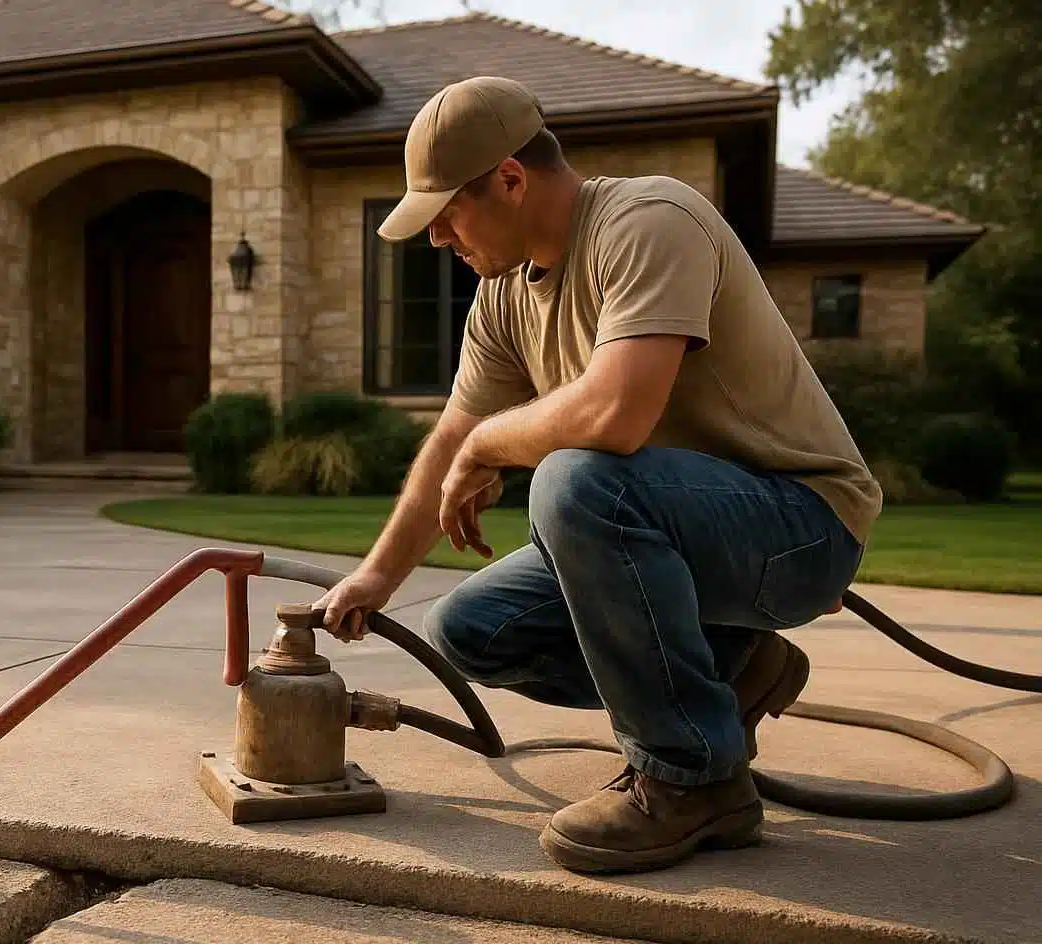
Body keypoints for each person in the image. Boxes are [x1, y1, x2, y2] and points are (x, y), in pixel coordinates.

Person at [312, 76, 881, 875]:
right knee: (474, 630)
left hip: (799, 525)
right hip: (675, 533)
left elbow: (617, 414)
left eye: (448, 213)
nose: (439, 238)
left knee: (573, 482)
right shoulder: (502, 298)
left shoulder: (650, 221)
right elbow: (452, 437)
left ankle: (694, 779)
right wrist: (374, 578)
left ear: (511, 178)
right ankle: (736, 670)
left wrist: (491, 447)